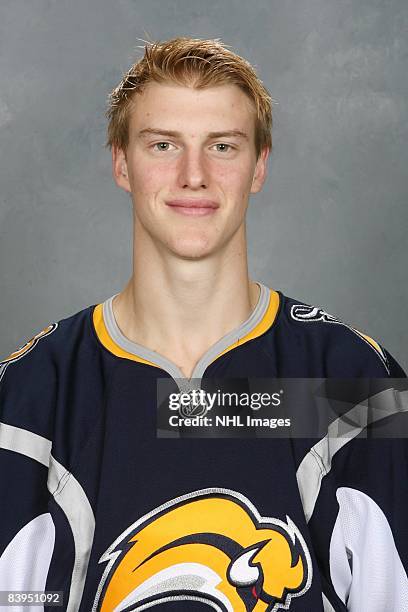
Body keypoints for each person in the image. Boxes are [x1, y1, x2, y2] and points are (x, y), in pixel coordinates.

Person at [0, 37, 407, 612]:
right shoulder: (29, 399)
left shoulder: (354, 385)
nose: (194, 175)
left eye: (222, 146)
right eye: (163, 144)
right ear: (121, 162)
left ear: (259, 166)